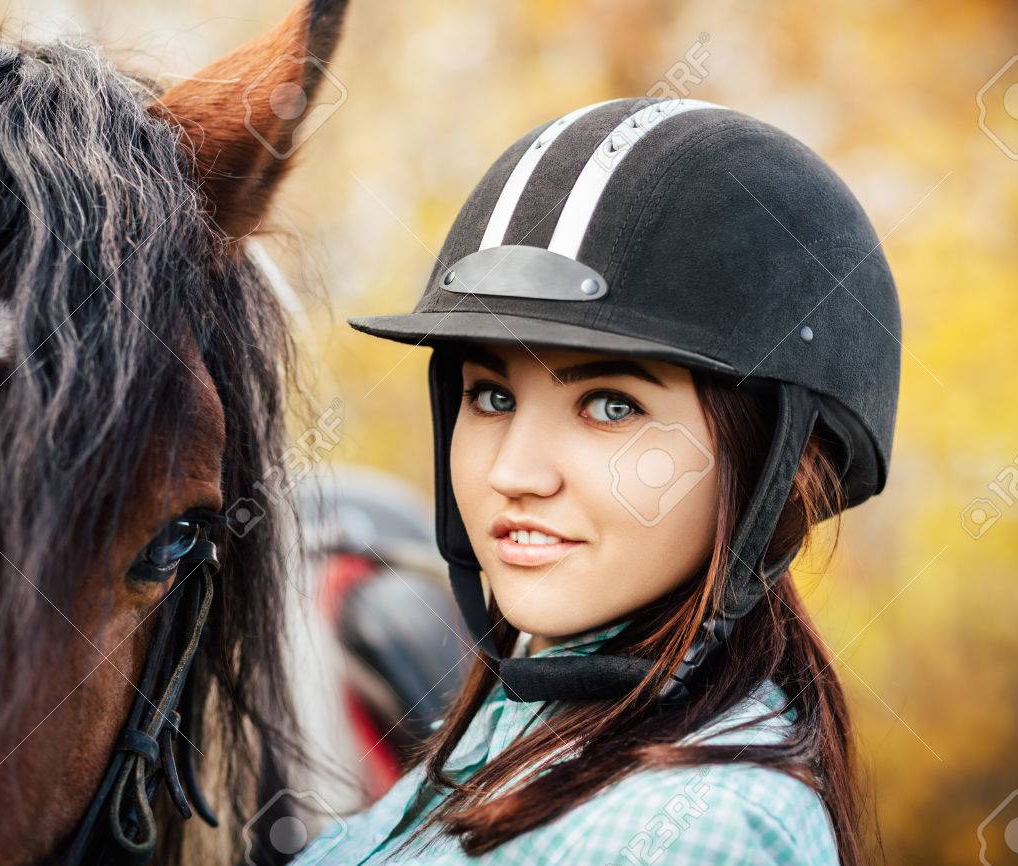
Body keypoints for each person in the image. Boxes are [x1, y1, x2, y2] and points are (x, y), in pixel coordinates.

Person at [297, 97, 900, 865]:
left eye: (611, 406)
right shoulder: (508, 733)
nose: (513, 473)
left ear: (774, 469)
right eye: (492, 396)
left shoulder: (693, 832)